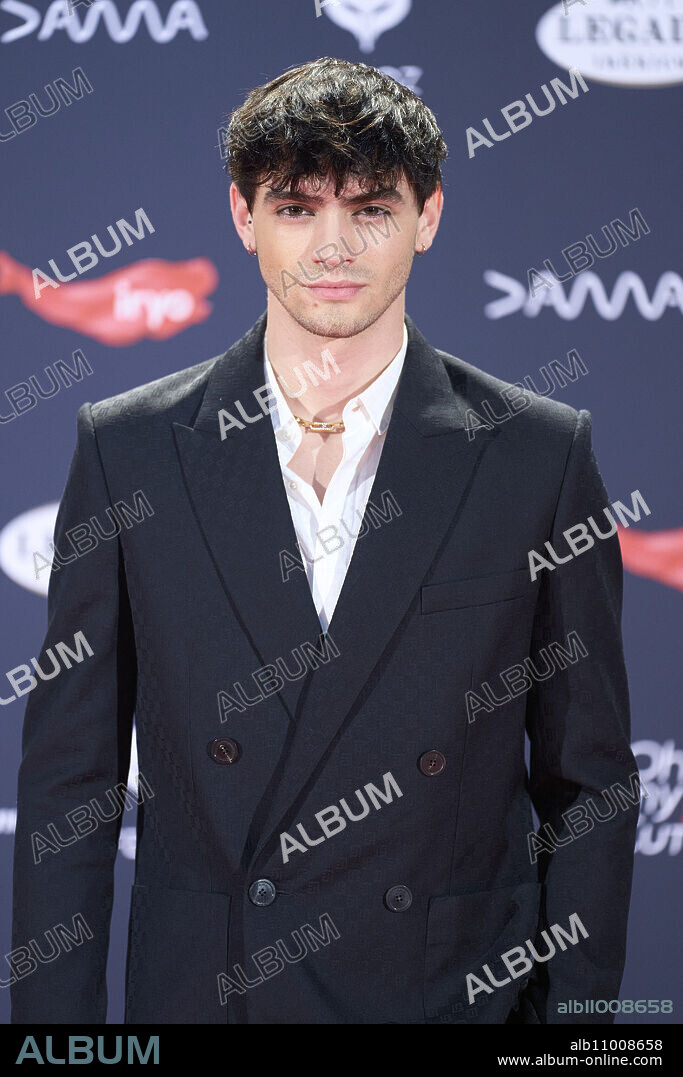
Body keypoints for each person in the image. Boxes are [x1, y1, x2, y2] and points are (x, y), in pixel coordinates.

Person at [11, 57, 638, 1025]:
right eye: (298, 207)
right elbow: (70, 782)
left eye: (372, 209)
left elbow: (586, 783)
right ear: (242, 217)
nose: (333, 246)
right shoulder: (130, 449)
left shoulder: (539, 456)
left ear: (428, 217)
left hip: (449, 997)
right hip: (211, 995)